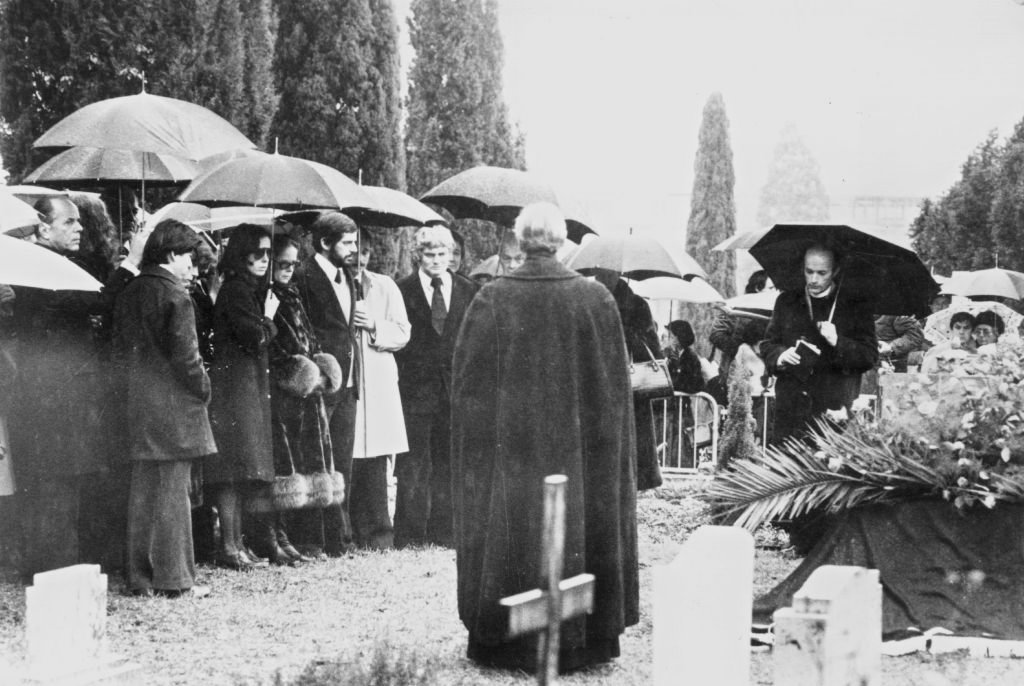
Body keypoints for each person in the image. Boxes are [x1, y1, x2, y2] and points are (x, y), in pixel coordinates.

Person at [451, 202, 638, 673]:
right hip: (581, 459)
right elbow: (617, 394)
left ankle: (505, 642)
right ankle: (585, 640)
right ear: (561, 241)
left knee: (511, 534)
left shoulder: (493, 298)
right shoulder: (596, 299)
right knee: (578, 532)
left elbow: (467, 390)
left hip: (511, 461)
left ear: (520, 239)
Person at [9, 195, 139, 577]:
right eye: (69, 222)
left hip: (61, 394)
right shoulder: (38, 272)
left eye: (79, 221)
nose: (80, 228)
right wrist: (130, 264)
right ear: (43, 228)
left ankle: (57, 564)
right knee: (56, 483)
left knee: (63, 482)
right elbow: (97, 303)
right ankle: (55, 568)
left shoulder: (55, 266)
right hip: (52, 398)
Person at [113, 220, 214, 597]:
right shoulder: (176, 295)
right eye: (189, 258)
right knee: (173, 494)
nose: (194, 267)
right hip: (174, 409)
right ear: (172, 255)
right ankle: (176, 579)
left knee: (143, 495)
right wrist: (204, 388)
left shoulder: (131, 291)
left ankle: (140, 578)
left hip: (138, 405)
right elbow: (187, 359)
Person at [394, 225, 479, 548]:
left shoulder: (468, 290)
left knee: (448, 461)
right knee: (413, 463)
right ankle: (410, 532)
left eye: (443, 254)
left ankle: (445, 530)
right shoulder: (402, 290)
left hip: (454, 391)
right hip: (415, 390)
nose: (436, 260)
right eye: (430, 254)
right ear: (418, 255)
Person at [206, 224, 278, 570]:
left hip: (242, 388)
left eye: (268, 253)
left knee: (238, 470)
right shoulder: (237, 290)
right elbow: (256, 337)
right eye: (257, 253)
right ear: (242, 254)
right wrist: (270, 317)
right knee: (232, 470)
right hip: (235, 391)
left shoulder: (244, 289)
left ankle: (237, 545)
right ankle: (231, 548)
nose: (264, 260)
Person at [261, 234, 336, 565]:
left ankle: (308, 538)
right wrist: (301, 374)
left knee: (311, 462)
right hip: (283, 398)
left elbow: (310, 339)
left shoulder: (292, 295)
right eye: (283, 264)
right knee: (286, 465)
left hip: (309, 397)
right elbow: (271, 352)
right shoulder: (267, 297)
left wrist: (320, 369)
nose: (289, 270)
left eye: (293, 264)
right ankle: (282, 536)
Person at [291, 212, 362, 555]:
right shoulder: (304, 276)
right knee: (315, 460)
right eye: (347, 243)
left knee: (342, 463)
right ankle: (311, 539)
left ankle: (340, 538)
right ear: (324, 243)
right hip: (321, 383)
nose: (354, 249)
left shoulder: (348, 275)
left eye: (355, 242)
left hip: (348, 384)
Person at [759, 244, 878, 443]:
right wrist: (780, 355)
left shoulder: (855, 306)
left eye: (822, 273)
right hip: (791, 410)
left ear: (836, 271)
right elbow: (768, 344)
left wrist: (838, 341)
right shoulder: (787, 301)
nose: (814, 279)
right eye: (809, 271)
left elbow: (869, 356)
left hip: (834, 411)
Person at [349, 231, 410, 550]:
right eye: (353, 250)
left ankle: (377, 532)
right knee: (350, 454)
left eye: (365, 252)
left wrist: (373, 325)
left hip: (378, 379)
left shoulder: (385, 286)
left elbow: (402, 333)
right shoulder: (336, 284)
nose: (359, 258)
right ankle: (348, 529)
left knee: (375, 459)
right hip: (350, 380)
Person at [592, 268, 663, 491]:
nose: (599, 276)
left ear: (616, 273)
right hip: (599, 380)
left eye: (604, 272)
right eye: (597, 272)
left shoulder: (637, 305)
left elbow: (652, 349)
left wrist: (625, 329)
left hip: (632, 384)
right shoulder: (590, 302)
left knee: (633, 437)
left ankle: (635, 480)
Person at [709, 270, 773, 387]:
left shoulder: (773, 310)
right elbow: (716, 334)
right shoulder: (736, 308)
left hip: (764, 375)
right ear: (758, 288)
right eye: (770, 288)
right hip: (736, 371)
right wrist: (741, 348)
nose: (774, 292)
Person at [664, 319, 705, 394]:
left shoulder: (691, 358)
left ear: (678, 339)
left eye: (670, 336)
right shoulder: (669, 355)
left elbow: (697, 385)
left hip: (682, 403)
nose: (666, 340)